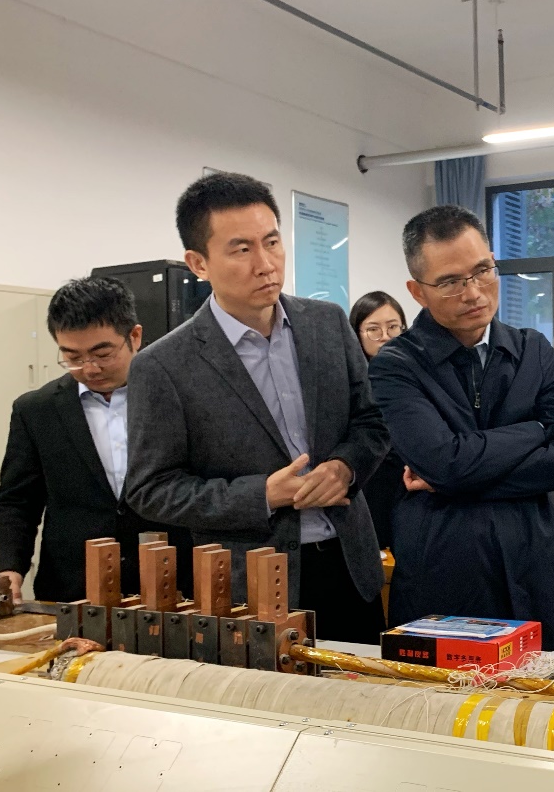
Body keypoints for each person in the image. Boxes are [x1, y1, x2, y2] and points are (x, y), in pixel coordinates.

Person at [125, 172, 390, 643]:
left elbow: (372, 421)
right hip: (250, 587)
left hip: (349, 566)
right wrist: (263, 495)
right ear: (198, 263)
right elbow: (152, 489)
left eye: (272, 242)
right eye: (241, 249)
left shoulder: (327, 324)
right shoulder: (164, 365)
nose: (266, 264)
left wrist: (345, 467)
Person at [368, 205, 554, 662]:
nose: (473, 292)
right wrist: (535, 430)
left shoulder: (532, 351)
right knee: (445, 703)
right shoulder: (397, 365)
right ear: (417, 291)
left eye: (482, 271)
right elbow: (444, 462)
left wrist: (456, 477)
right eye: (450, 282)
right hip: (447, 574)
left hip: (537, 569)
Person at [0, 277, 191, 604]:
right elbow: (16, 502)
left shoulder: (180, 397)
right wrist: (8, 566)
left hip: (173, 586)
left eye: (103, 353)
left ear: (134, 337)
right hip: (73, 590)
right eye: (73, 357)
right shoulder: (36, 410)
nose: (90, 369)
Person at [348, 290, 408, 549]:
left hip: (413, 484)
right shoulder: (350, 382)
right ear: (356, 334)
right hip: (371, 483)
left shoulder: (419, 375)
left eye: (393, 327)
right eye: (373, 329)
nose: (385, 336)